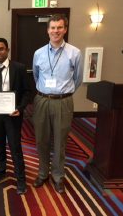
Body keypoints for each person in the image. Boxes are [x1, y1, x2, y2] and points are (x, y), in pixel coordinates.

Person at [32, 14, 83, 194]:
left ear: (65, 29)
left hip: (63, 102)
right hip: (42, 100)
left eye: (59, 27)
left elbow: (78, 79)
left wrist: (63, 93)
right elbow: (36, 76)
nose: (56, 31)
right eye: (52, 28)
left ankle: (58, 176)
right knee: (41, 139)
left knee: (60, 142)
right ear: (48, 31)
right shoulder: (38, 53)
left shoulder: (74, 53)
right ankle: (43, 172)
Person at [0, 38, 31, 195]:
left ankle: (21, 178)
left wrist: (20, 108)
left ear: (7, 50)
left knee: (15, 147)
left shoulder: (19, 68)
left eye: (1, 49)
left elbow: (27, 92)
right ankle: (1, 170)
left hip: (12, 115)